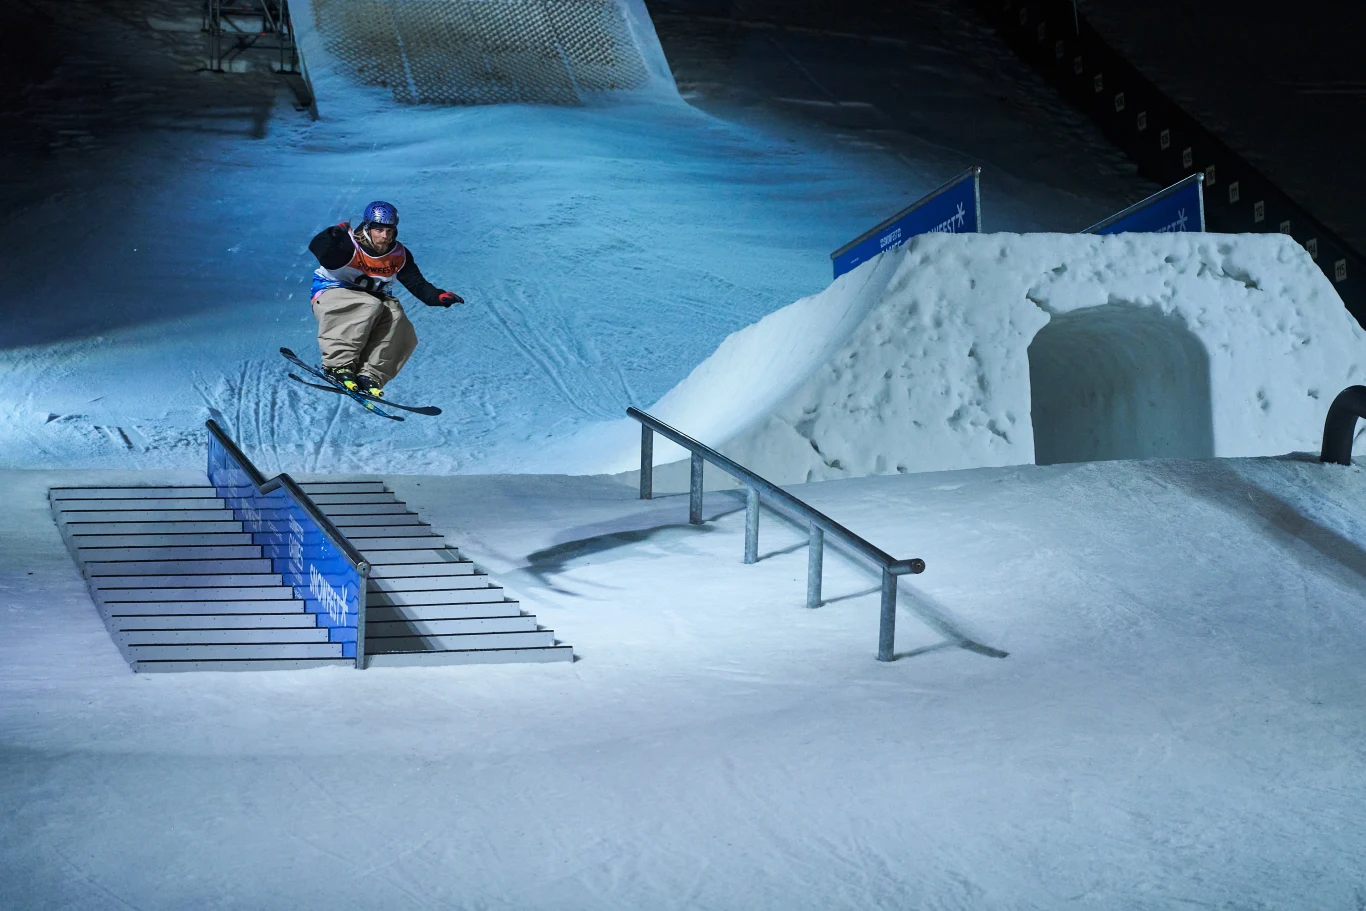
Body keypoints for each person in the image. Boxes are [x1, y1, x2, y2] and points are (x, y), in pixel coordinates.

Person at [307, 200, 463, 397]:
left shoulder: (399, 254)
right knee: (368, 304)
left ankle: (370, 375)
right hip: (333, 294)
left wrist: (438, 296)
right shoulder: (349, 244)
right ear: (368, 228)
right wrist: (332, 235)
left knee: (398, 320)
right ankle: (338, 366)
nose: (385, 236)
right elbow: (322, 252)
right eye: (379, 230)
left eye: (389, 230)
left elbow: (416, 283)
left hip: (372, 301)